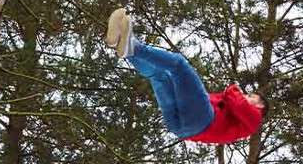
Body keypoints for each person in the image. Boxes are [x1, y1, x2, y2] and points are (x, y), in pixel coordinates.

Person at [105, 8, 265, 144]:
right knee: (159, 75)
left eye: (251, 96)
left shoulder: (255, 119)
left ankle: (134, 47)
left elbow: (235, 101)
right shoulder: (238, 121)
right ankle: (122, 43)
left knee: (179, 65)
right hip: (182, 128)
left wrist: (233, 90)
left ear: (260, 105)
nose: (246, 95)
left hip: (203, 121)